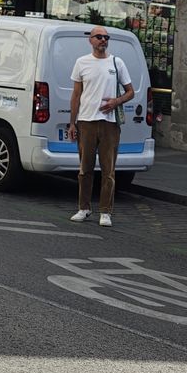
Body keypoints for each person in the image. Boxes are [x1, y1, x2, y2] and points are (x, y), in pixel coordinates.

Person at [68, 28, 134, 227]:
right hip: (86, 121)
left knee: (109, 169)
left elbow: (131, 92)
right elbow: (76, 95)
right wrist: (72, 122)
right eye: (99, 37)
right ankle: (84, 208)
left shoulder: (117, 63)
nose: (103, 40)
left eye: (106, 37)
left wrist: (116, 102)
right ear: (91, 40)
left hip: (110, 123)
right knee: (84, 168)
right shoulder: (82, 62)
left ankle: (105, 211)